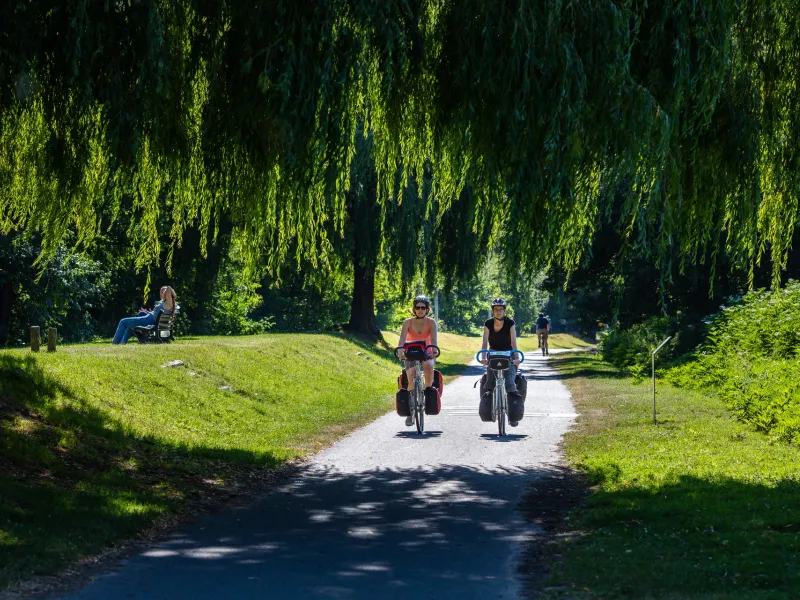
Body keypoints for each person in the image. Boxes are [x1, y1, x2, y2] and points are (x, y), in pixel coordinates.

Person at [397, 295, 439, 426]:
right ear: (414, 309)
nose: (420, 310)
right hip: (411, 352)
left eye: (423, 307)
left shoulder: (431, 322)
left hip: (426, 351)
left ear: (427, 309)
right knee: (411, 381)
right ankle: (410, 413)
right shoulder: (407, 322)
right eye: (417, 307)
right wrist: (400, 352)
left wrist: (435, 351)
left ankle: (428, 390)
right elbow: (402, 338)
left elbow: (433, 339)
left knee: (428, 365)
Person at [480, 298, 522, 425]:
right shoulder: (488, 323)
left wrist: (516, 358)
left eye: (501, 309)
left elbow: (514, 342)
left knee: (510, 381)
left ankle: (513, 415)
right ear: (493, 311)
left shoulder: (510, 323)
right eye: (496, 309)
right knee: (489, 382)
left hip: (508, 354)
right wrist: (484, 357)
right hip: (493, 353)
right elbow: (484, 343)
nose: (498, 312)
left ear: (504, 310)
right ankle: (489, 407)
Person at [112, 286, 176, 345]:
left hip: (149, 320)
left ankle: (115, 344)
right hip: (149, 319)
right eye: (161, 292)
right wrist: (147, 312)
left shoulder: (168, 304)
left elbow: (169, 288)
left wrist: (170, 293)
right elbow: (156, 315)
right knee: (130, 324)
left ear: (168, 294)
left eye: (163, 292)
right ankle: (122, 343)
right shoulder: (164, 302)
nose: (161, 293)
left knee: (123, 322)